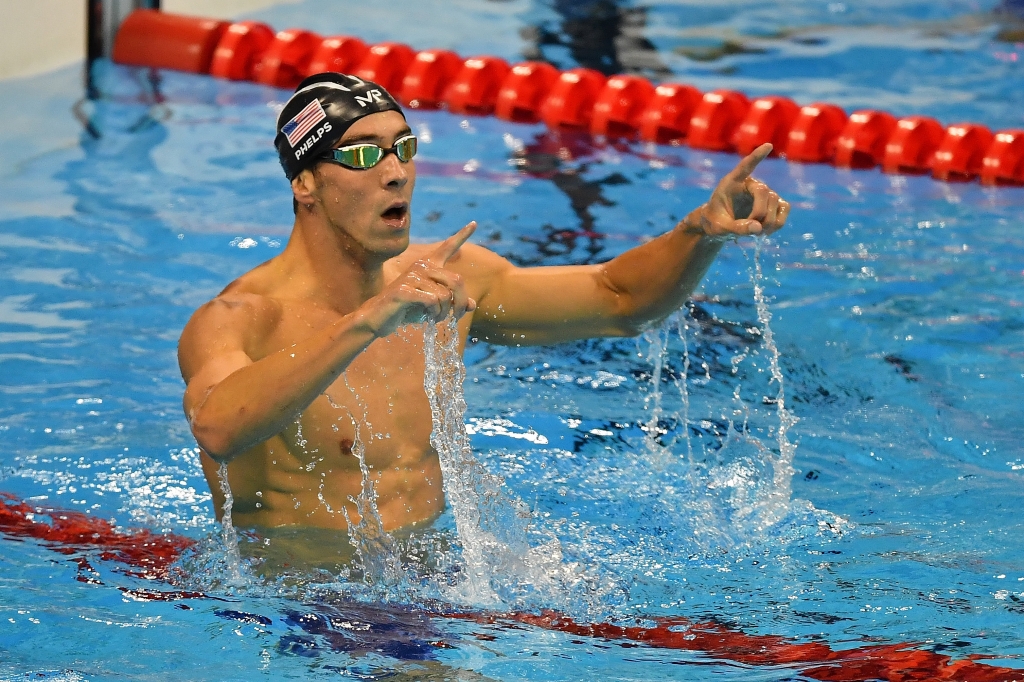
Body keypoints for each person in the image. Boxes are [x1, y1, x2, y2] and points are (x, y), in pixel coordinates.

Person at [177, 73, 790, 537]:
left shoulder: (445, 277)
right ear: (304, 182)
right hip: (305, 617)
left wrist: (698, 233)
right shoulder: (243, 318)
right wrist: (365, 321)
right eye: (363, 155)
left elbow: (619, 301)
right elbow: (219, 426)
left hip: (429, 584)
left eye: (403, 148)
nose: (396, 173)